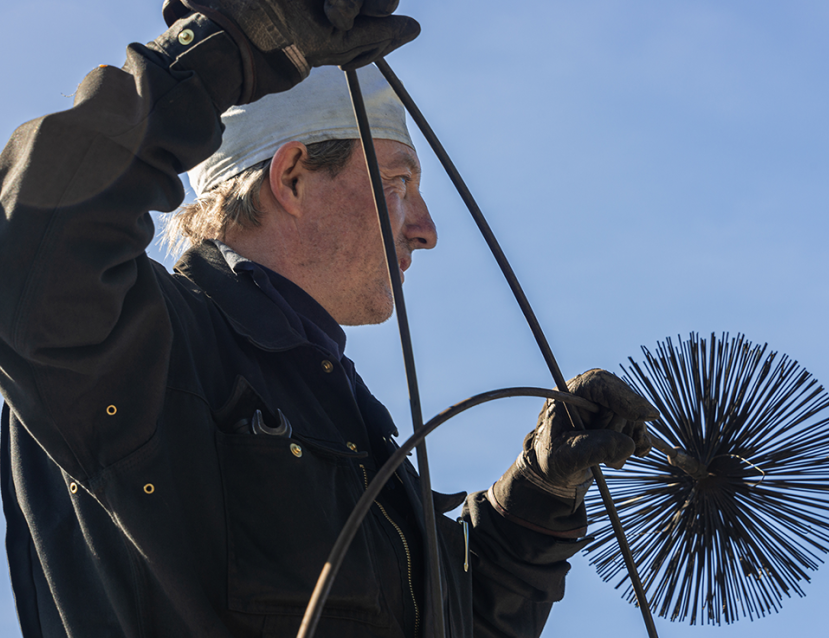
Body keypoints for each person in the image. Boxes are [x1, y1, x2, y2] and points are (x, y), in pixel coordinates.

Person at [0, 2, 658, 637]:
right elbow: (29, 235)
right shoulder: (142, 348)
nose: (425, 230)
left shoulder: (341, 408)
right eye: (398, 185)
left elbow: (460, 623)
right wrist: (238, 37)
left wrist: (537, 495)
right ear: (290, 178)